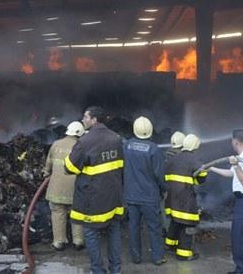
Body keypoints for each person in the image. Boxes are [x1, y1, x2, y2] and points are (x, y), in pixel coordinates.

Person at [65, 106, 124, 274]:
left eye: (86, 117)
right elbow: (121, 167)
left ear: (94, 120)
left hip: (93, 199)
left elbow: (70, 167)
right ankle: (116, 270)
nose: (83, 119)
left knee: (91, 234)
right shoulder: (116, 139)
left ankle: (98, 270)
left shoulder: (84, 142)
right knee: (114, 232)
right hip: (114, 197)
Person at [208, 129, 243, 274]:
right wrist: (212, 168)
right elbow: (231, 174)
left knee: (238, 236)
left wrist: (237, 165)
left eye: (232, 141)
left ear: (235, 141)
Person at [123, 116, 166, 265]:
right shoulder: (154, 149)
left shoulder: (126, 146)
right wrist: (164, 189)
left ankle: (136, 257)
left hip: (131, 195)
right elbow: (159, 174)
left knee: (133, 227)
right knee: (154, 228)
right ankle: (157, 257)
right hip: (149, 196)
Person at [43, 121, 85, 251]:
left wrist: (46, 173)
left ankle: (58, 242)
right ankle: (78, 241)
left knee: (57, 213)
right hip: (75, 190)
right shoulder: (82, 147)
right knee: (76, 214)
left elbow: (48, 165)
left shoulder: (56, 144)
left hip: (56, 189)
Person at [164, 134, 208, 261]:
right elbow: (202, 177)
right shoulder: (195, 160)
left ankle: (169, 245)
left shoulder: (173, 158)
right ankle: (183, 254)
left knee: (175, 221)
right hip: (185, 199)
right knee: (188, 225)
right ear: (195, 147)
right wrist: (194, 180)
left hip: (172, 198)